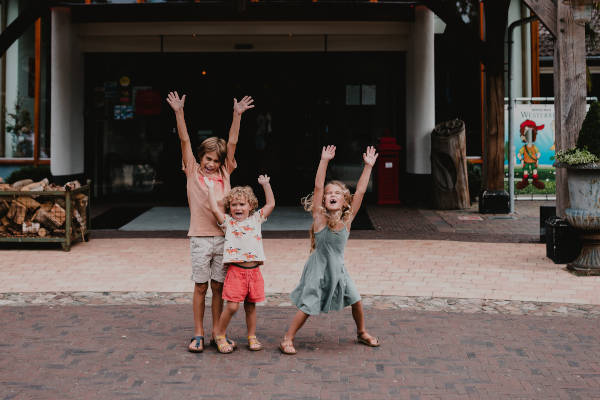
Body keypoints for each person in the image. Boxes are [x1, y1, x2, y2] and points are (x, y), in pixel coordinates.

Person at [166, 91, 254, 353]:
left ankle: (218, 333)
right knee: (201, 286)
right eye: (208, 159)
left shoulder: (226, 171)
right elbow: (183, 139)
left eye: (216, 160)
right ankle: (198, 333)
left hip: (223, 238)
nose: (212, 164)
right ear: (200, 157)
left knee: (218, 287)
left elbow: (234, 142)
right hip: (200, 237)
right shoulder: (192, 171)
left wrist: (237, 115)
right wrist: (179, 112)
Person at [279, 145, 380, 355]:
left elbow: (360, 191)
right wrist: (324, 161)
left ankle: (362, 332)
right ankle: (287, 338)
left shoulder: (347, 220)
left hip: (338, 269)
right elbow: (317, 186)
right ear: (324, 200)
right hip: (318, 268)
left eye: (337, 193)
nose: (332, 195)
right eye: (328, 194)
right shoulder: (320, 219)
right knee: (308, 305)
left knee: (356, 299)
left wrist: (368, 166)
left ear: (344, 201)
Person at [205, 174, 275, 353]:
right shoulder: (228, 222)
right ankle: (219, 334)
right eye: (234, 205)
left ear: (250, 206)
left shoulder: (256, 219)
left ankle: (252, 336)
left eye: (242, 204)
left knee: (251, 307)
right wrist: (211, 189)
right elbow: (214, 208)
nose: (238, 208)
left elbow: (271, 205)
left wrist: (266, 185)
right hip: (236, 272)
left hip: (254, 272)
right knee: (233, 306)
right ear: (229, 207)